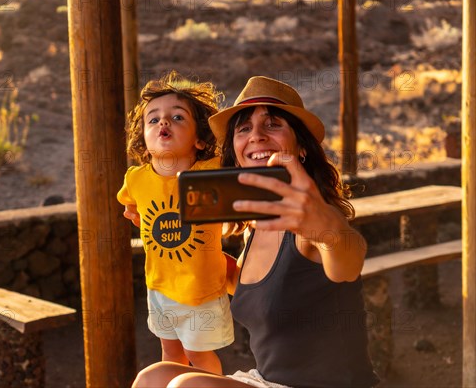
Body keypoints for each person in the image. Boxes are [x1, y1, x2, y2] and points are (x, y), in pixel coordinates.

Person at [131, 76, 380, 388]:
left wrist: (326, 225)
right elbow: (260, 287)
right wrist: (169, 243)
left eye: (272, 124)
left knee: (187, 387)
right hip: (269, 382)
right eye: (244, 128)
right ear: (235, 152)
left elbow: (348, 261)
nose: (256, 136)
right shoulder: (255, 227)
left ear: (301, 147)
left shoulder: (310, 222)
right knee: (153, 377)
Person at [117, 71, 234, 374]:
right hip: (159, 286)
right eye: (153, 120)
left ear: (198, 139)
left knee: (198, 355)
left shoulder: (211, 170)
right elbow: (129, 202)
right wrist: (135, 214)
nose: (163, 122)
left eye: (178, 117)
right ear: (143, 136)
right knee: (169, 352)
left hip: (202, 288)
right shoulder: (136, 178)